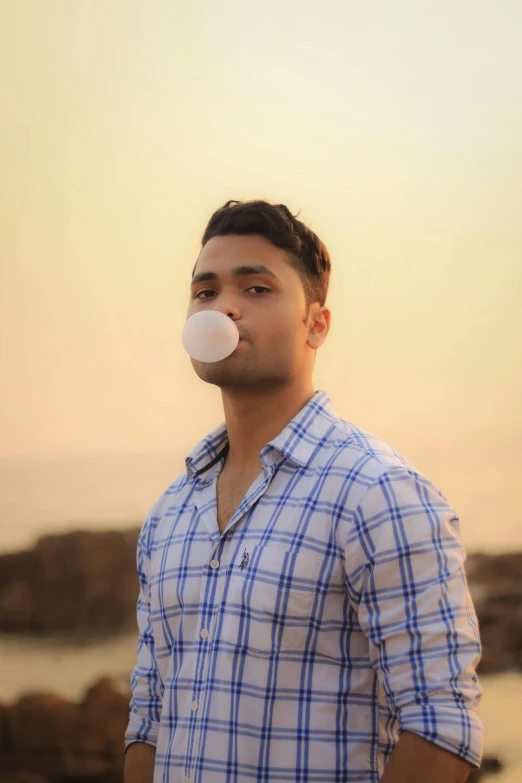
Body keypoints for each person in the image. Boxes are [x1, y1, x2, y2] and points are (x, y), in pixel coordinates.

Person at [124, 199, 484, 783]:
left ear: (316, 324)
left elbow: (442, 728)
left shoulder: (378, 493)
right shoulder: (170, 513)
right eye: (206, 292)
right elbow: (149, 716)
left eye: (258, 289)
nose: (225, 307)